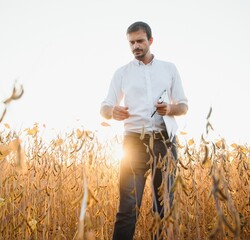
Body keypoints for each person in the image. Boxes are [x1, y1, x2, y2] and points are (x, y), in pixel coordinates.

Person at [100, 21, 188, 240]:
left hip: (164, 143)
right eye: (131, 43)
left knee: (163, 209)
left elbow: (184, 106)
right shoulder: (121, 73)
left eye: (140, 41)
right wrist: (113, 112)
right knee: (128, 209)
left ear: (150, 40)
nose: (135, 46)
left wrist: (169, 108)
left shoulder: (169, 69)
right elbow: (104, 107)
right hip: (133, 144)